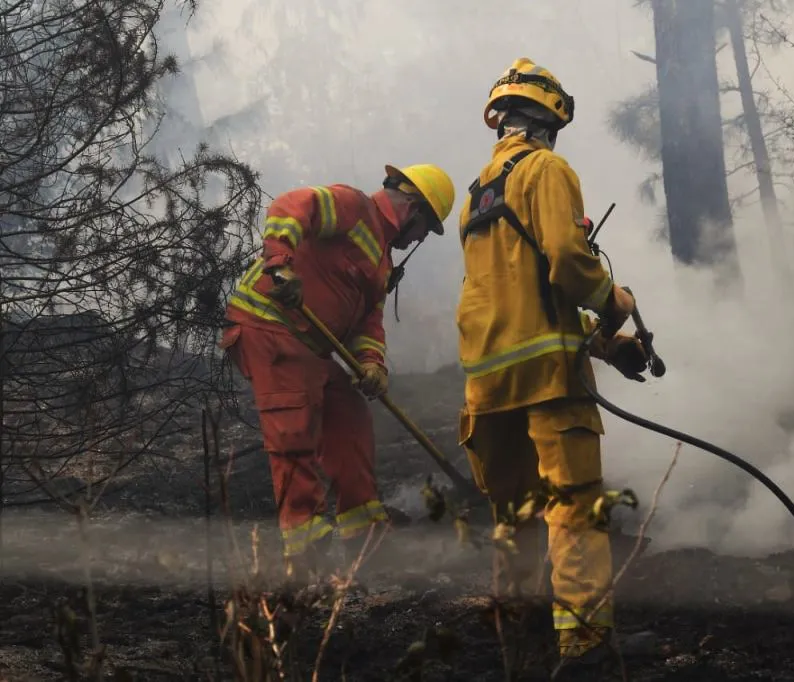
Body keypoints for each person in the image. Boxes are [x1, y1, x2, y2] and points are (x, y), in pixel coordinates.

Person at [455, 57, 651, 672]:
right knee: (574, 508)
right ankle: (585, 644)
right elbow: (567, 263)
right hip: (550, 382)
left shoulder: (477, 193)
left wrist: (599, 341)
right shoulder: (546, 169)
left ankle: (520, 632)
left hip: (487, 383)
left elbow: (520, 303)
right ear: (550, 121)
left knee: (514, 512)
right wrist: (615, 304)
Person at [219, 163, 455, 582]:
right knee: (294, 432)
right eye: (424, 230)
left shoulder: (381, 262)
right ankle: (305, 554)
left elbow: (369, 323)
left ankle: (365, 538)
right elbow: (291, 205)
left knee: (349, 418)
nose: (418, 240)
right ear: (413, 210)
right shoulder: (353, 205)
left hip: (311, 346)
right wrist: (280, 264)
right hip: (268, 329)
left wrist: (371, 363)